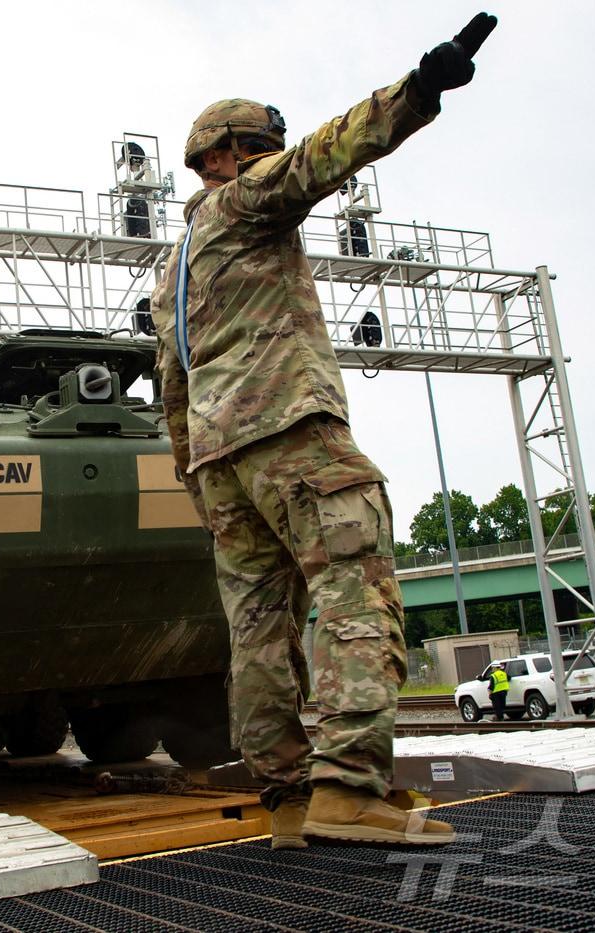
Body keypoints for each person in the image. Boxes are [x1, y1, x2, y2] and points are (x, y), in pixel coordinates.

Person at [150, 12, 497, 848]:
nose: (268, 157)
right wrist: (417, 93)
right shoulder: (244, 202)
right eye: (257, 145)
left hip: (220, 462)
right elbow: (322, 156)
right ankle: (349, 784)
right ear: (228, 155)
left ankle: (289, 800)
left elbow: (171, 390)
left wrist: (197, 475)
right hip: (287, 431)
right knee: (355, 586)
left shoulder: (171, 271)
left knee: (260, 628)